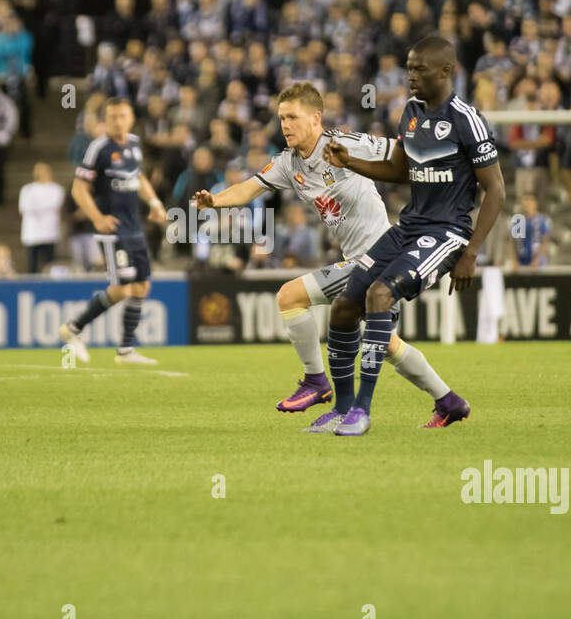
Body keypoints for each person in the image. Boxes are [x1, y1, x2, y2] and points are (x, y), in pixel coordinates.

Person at [192, 82, 458, 414]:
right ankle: (449, 402)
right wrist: (215, 200)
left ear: (316, 118)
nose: (285, 125)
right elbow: (249, 188)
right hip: (358, 262)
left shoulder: (346, 144)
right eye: (281, 118)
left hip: (380, 258)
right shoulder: (289, 164)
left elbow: (402, 153)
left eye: (292, 117)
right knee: (386, 345)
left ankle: (317, 382)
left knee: (290, 296)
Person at [309, 35, 506, 435]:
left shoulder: (466, 118)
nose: (411, 76)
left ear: (446, 71)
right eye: (409, 68)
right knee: (344, 308)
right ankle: (344, 409)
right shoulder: (410, 112)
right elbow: (401, 171)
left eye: (420, 69)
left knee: (379, 296)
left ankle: (362, 412)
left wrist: (470, 254)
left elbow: (497, 190)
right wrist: (354, 162)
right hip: (408, 227)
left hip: (448, 233)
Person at [60, 98, 168, 365]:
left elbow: (138, 177)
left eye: (122, 116)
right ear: (105, 120)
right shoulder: (98, 148)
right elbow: (78, 189)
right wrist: (97, 218)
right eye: (112, 117)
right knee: (121, 289)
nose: (118, 122)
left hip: (135, 228)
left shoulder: (133, 143)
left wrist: (154, 202)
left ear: (131, 118)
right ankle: (73, 327)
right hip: (113, 230)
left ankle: (126, 350)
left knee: (142, 285)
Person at [18, 162, 64, 273]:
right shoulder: (27, 189)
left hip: (49, 231)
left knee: (50, 263)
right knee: (32, 263)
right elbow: (24, 207)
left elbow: (55, 204)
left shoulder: (57, 189)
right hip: (32, 232)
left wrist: (37, 206)